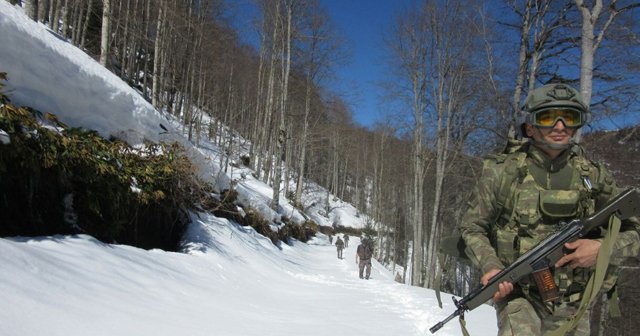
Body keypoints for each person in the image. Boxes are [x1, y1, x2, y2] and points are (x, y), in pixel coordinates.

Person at [459, 83, 640, 336]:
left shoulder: (594, 177)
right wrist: (491, 266)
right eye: (548, 117)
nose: (559, 126)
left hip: (574, 300)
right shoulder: (501, 173)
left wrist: (601, 248)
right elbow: (472, 227)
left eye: (569, 118)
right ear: (530, 127)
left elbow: (634, 229)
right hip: (520, 293)